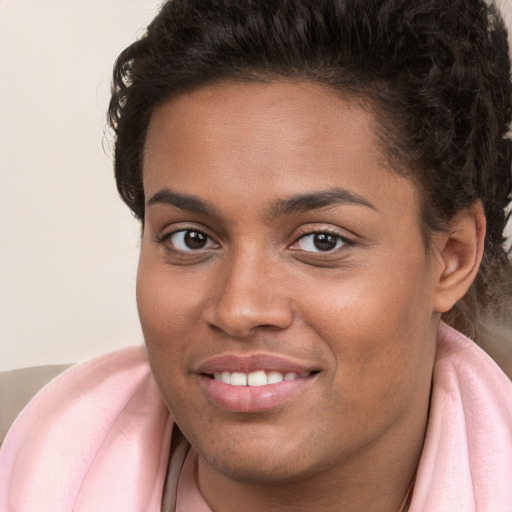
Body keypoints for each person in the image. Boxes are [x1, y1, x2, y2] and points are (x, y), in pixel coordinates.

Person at [1, 0, 511, 510]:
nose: (239, 309)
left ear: (453, 257)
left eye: (321, 240)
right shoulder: (18, 455)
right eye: (191, 238)